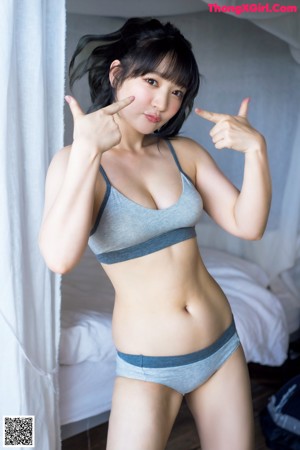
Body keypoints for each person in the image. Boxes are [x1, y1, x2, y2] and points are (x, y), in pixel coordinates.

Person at [39, 17, 271, 450]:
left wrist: (256, 150)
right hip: (148, 365)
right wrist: (89, 152)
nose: (162, 102)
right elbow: (59, 257)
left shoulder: (184, 153)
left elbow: (248, 224)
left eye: (176, 91)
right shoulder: (74, 161)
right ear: (115, 74)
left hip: (221, 346)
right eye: (151, 80)